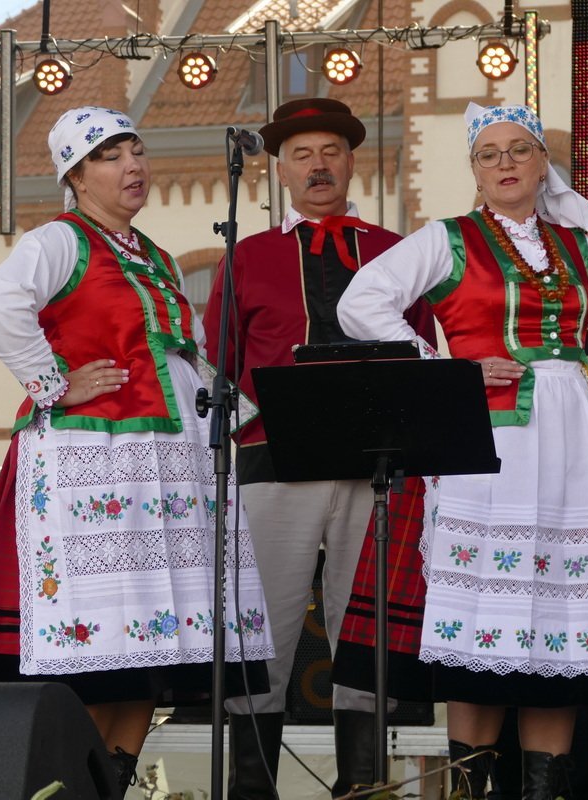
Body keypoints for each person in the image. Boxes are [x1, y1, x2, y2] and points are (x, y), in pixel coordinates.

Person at [337, 102, 588, 800]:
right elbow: (361, 301)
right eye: (489, 153)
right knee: (483, 628)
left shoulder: (580, 246)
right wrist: (442, 364)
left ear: (541, 163)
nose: (504, 164)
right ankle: (472, 788)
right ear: (474, 169)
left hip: (581, 443)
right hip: (490, 439)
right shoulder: (449, 238)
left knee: (560, 623)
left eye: (518, 150)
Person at [0, 106, 274, 796]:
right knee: (94, 653)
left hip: (163, 470)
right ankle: (69, 785)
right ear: (74, 176)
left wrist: (239, 414)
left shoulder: (156, 257)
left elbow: (184, 352)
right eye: (110, 156)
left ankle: (111, 784)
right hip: (91, 462)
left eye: (137, 151)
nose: (133, 166)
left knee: (145, 656)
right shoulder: (60, 241)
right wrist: (54, 382)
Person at [203, 97, 436, 799]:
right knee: (261, 628)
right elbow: (221, 357)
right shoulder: (249, 254)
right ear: (278, 171)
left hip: (377, 464)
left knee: (366, 629)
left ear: (350, 161)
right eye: (301, 154)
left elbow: (425, 344)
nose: (318, 165)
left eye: (330, 151)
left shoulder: (396, 250)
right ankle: (251, 787)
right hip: (275, 462)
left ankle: (361, 781)